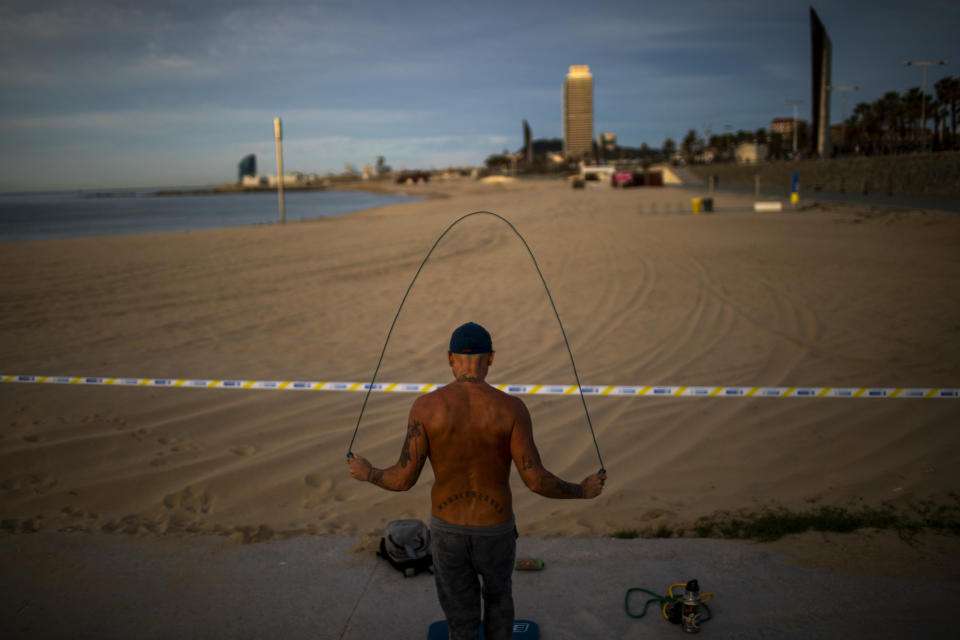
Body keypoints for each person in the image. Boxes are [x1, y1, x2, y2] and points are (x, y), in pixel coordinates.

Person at [347, 321, 606, 640]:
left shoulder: (426, 408)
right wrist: (582, 490)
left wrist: (368, 472)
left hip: (448, 529)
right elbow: (536, 481)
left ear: (449, 358)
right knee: (498, 600)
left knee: (461, 615)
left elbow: (402, 480)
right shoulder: (511, 409)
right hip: (494, 529)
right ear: (491, 358)